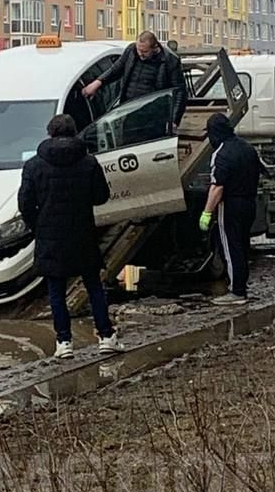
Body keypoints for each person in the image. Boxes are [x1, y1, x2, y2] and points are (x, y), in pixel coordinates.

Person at [17, 114, 122, 359]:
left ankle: (63, 342)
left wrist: (38, 226)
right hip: (83, 233)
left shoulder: (34, 165)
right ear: (75, 132)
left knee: (56, 291)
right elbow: (101, 197)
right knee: (94, 286)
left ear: (49, 133)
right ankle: (106, 337)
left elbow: (25, 203)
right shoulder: (88, 163)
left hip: (50, 235)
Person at [199, 112, 261, 302]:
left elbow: (217, 187)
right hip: (250, 203)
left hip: (231, 205)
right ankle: (241, 286)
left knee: (231, 247)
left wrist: (207, 213)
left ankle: (236, 292)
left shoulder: (221, 153)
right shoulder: (247, 148)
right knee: (242, 246)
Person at [82, 30, 187, 124]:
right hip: (129, 110)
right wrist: (98, 82)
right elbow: (116, 69)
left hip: (153, 115)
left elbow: (180, 91)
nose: (141, 54)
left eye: (145, 52)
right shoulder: (131, 51)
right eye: (139, 50)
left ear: (155, 48)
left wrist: (174, 120)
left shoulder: (169, 61)